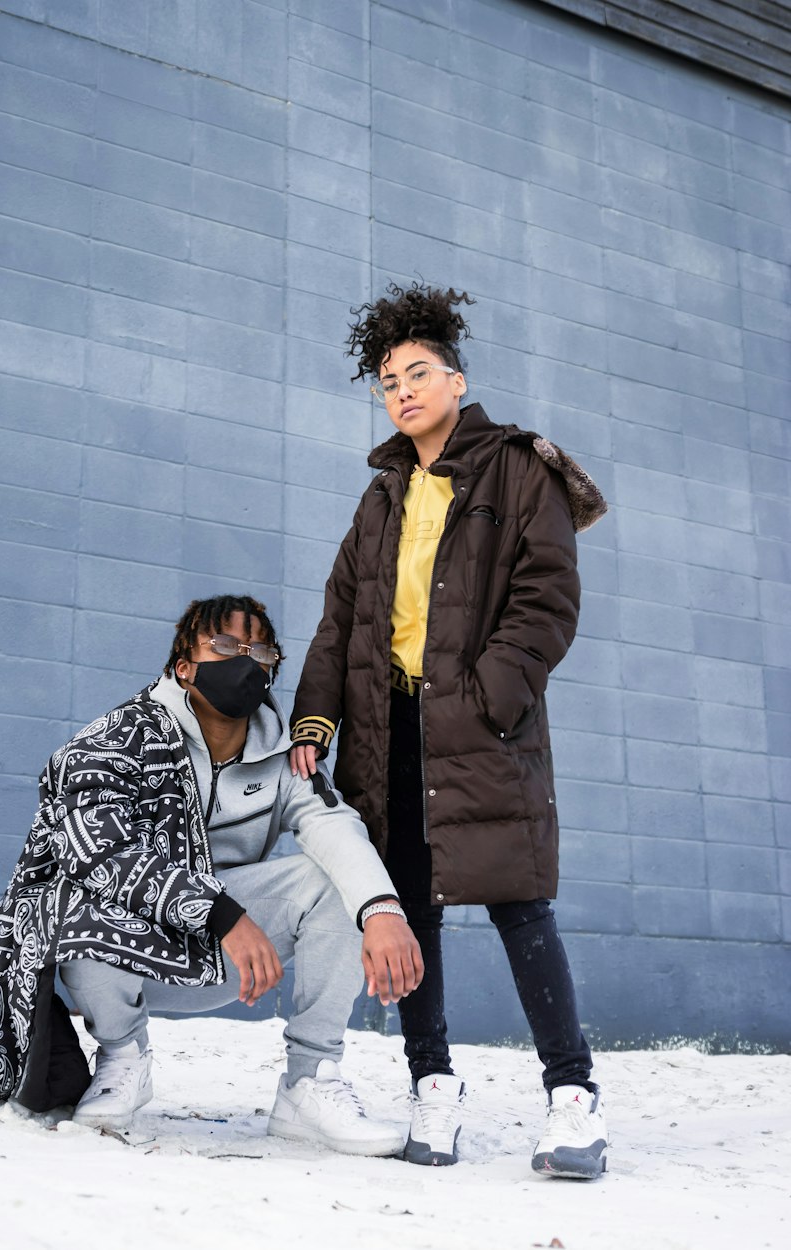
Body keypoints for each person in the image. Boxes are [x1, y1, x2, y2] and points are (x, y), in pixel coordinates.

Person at [288, 281, 610, 1177]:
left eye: (418, 373)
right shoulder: (381, 498)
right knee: (411, 908)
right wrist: (318, 717)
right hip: (388, 726)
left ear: (458, 381)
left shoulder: (519, 468)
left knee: (519, 903)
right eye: (388, 380)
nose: (403, 391)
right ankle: (431, 1082)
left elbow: (547, 599)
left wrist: (487, 697)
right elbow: (339, 618)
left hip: (478, 723)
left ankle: (573, 1098)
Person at [0, 593, 424, 1157]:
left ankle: (309, 1081)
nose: (245, 658)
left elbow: (334, 827)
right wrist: (221, 912)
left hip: (233, 960)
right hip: (133, 954)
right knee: (72, 891)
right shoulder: (114, 740)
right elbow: (98, 852)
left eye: (259, 649)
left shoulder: (285, 758)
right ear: (184, 667)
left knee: (336, 882)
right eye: (226, 645)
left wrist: (382, 911)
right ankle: (121, 1057)